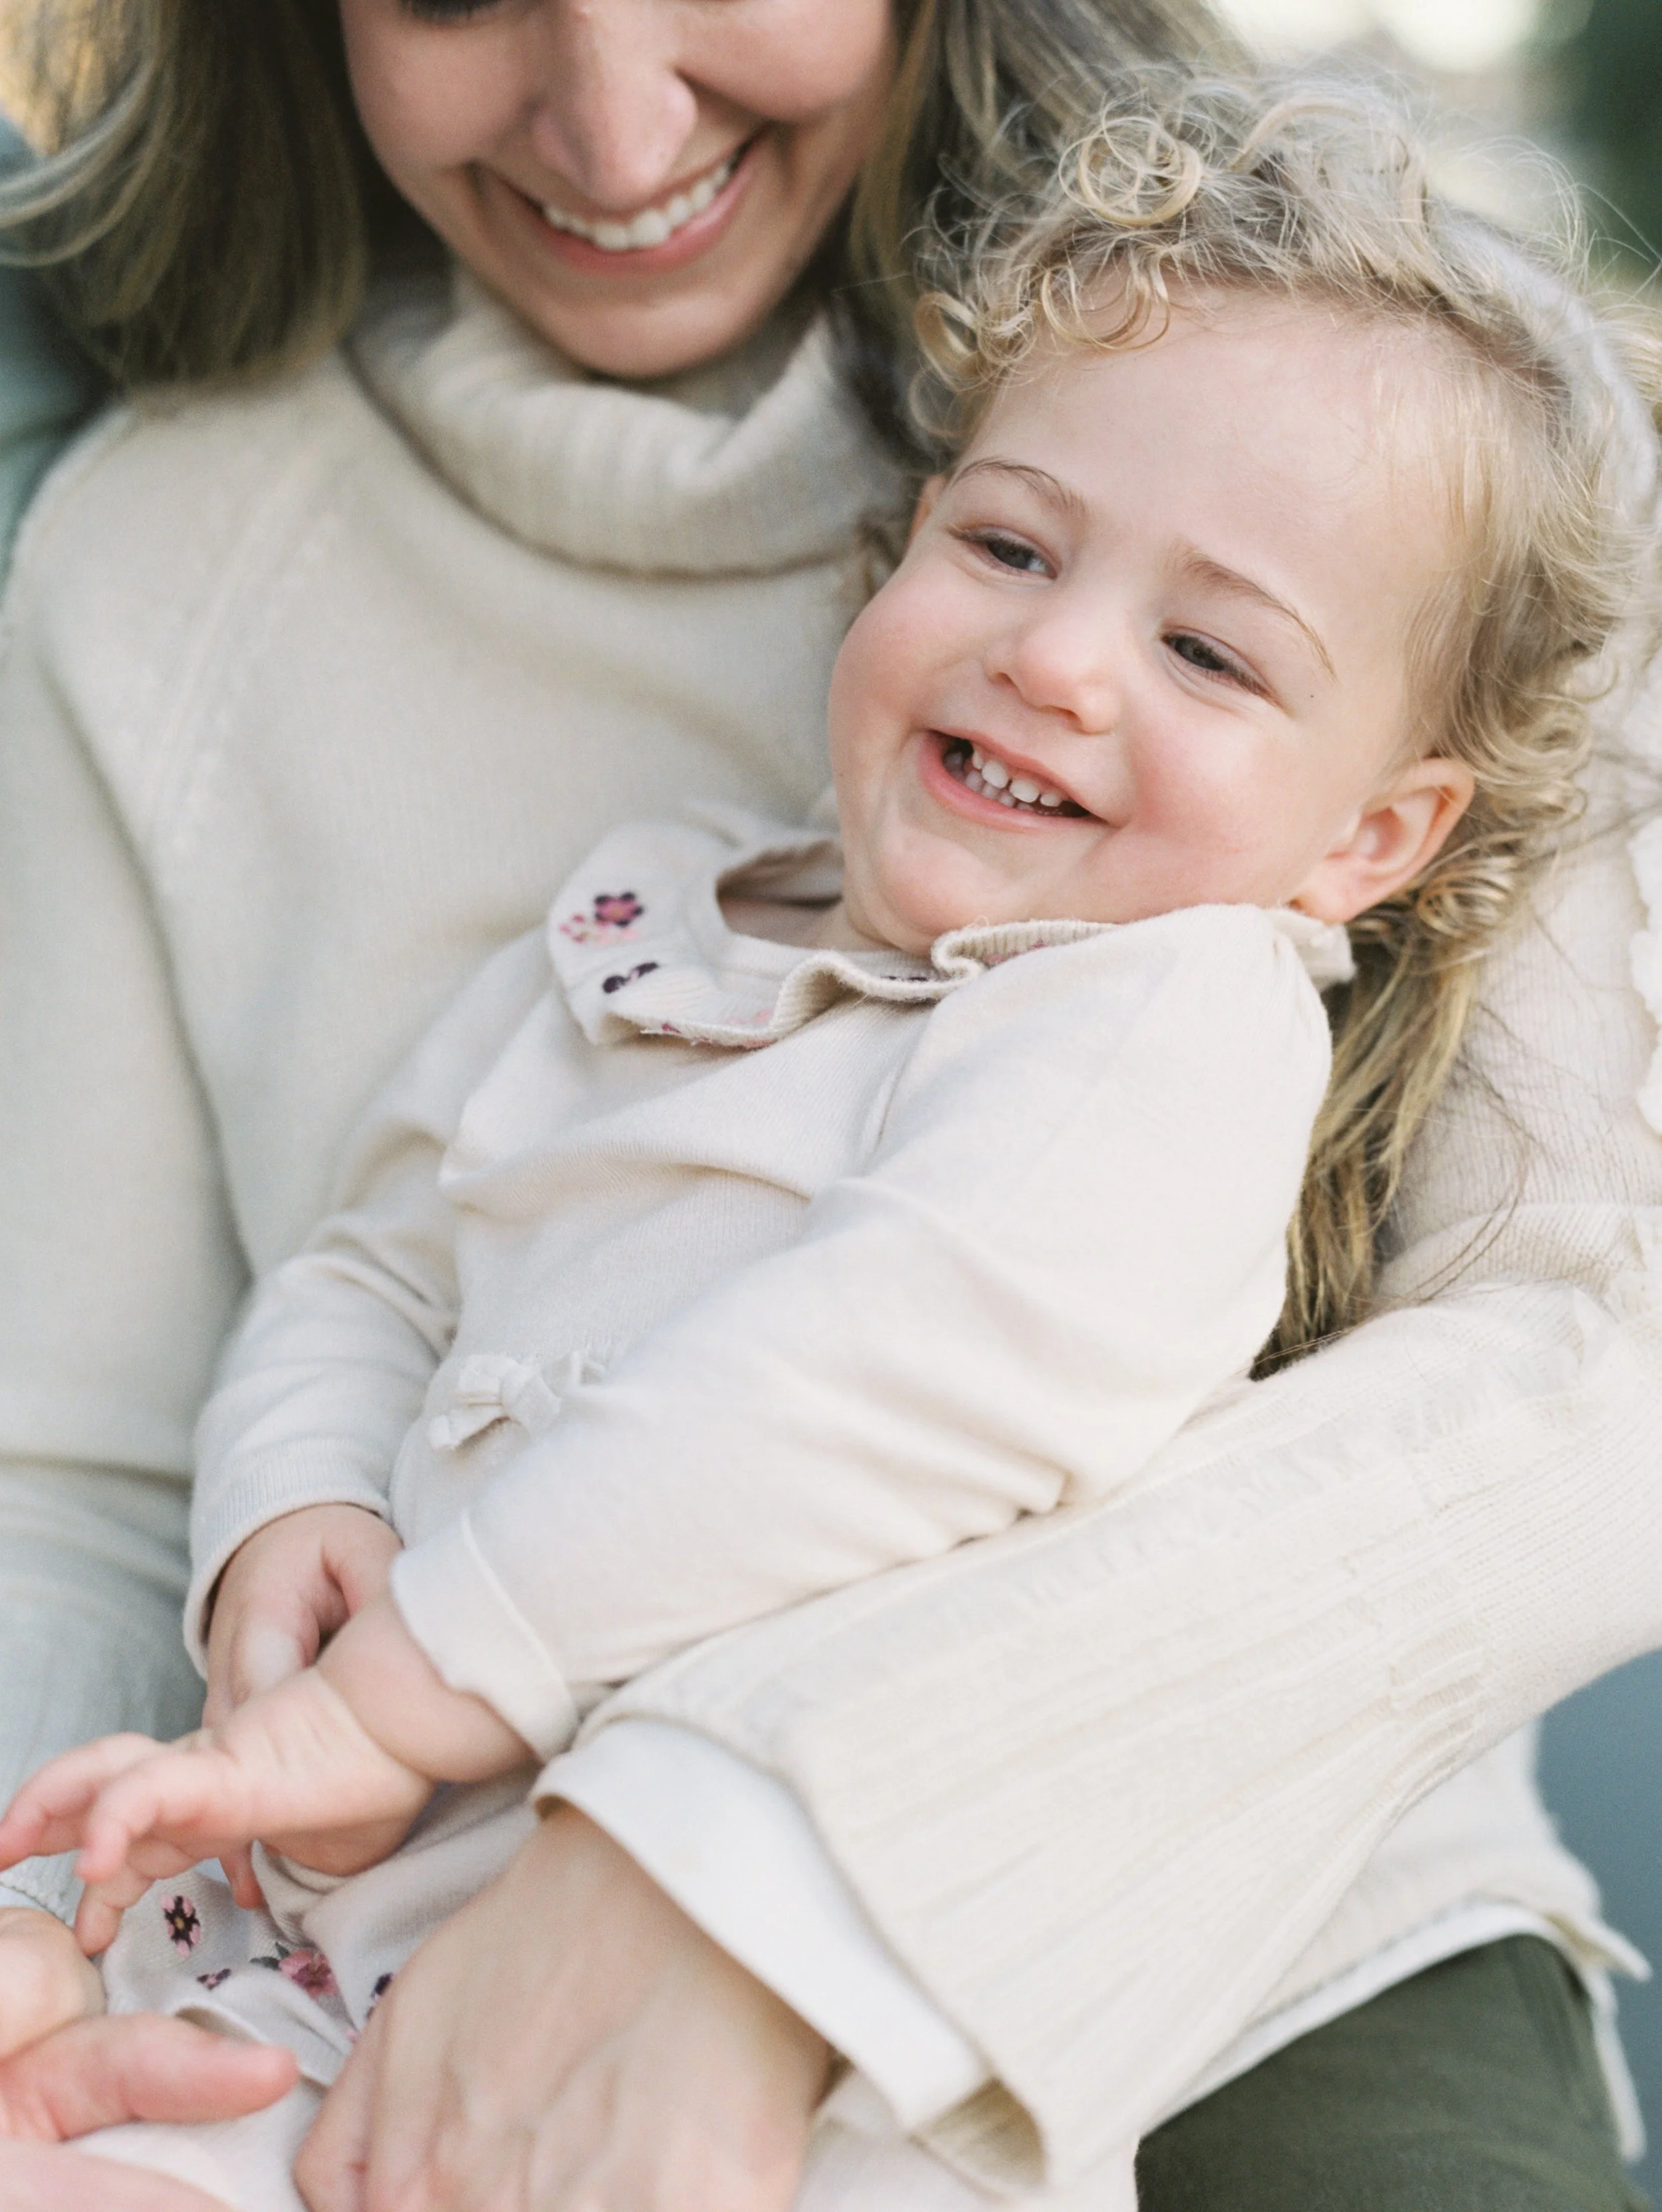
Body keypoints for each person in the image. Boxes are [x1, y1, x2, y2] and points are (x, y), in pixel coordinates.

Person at [0, 4, 1658, 2210]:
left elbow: (1571, 1364)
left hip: (1181, 1859)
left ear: (1375, 833)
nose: (615, 124)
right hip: (352, 1894)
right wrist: (258, 1552)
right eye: (1003, 551)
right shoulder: (634, 897)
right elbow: (304, 1307)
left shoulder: (1380, 462)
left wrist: (690, 1833)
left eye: (1204, 652)